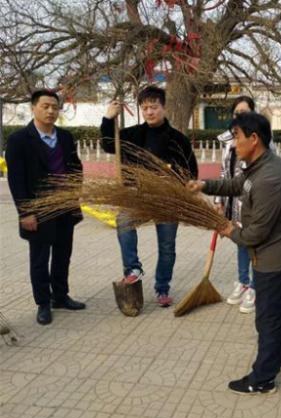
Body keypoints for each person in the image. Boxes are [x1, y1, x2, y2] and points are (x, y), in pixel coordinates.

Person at [187, 112, 281, 394]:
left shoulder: (269, 178)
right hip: (279, 255)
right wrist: (205, 185)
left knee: (269, 318)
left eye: (237, 136)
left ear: (254, 138)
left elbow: (255, 235)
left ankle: (263, 378)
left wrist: (227, 229)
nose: (233, 142)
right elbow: (237, 185)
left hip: (273, 259)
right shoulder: (257, 166)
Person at [101, 85, 198, 307]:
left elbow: (191, 172)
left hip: (167, 199)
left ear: (164, 108)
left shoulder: (178, 139)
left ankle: (162, 288)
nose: (149, 112)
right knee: (123, 221)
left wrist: (176, 184)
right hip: (137, 195)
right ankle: (133, 269)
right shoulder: (133, 135)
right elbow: (108, 145)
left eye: (153, 107)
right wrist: (108, 118)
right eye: (145, 108)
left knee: (167, 246)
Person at [6, 89, 86, 325]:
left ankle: (60, 296)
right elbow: (16, 180)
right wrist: (25, 212)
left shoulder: (65, 137)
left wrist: (74, 192)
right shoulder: (19, 140)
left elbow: (76, 167)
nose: (50, 111)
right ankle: (43, 302)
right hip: (38, 212)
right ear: (33, 108)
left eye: (54, 106)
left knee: (63, 255)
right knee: (40, 258)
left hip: (65, 207)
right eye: (45, 106)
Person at [215, 96, 256, 314]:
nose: (240, 116)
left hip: (251, 201)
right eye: (236, 113)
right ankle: (243, 281)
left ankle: (255, 288)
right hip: (233, 201)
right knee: (239, 241)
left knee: (254, 244)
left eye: (245, 112)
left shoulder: (257, 139)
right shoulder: (227, 141)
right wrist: (218, 200)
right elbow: (223, 172)